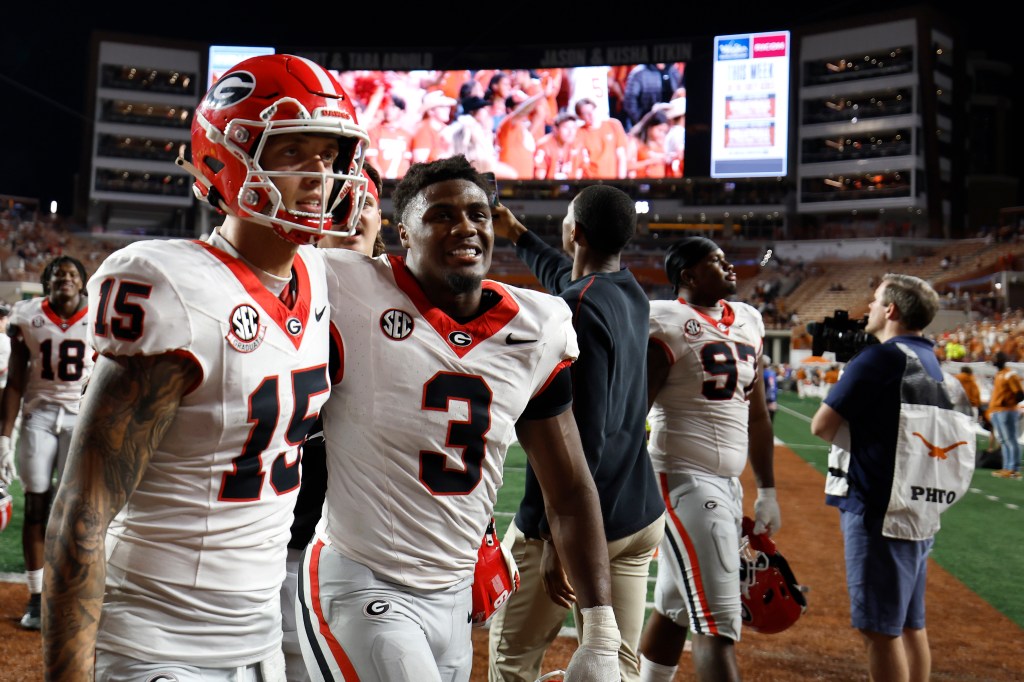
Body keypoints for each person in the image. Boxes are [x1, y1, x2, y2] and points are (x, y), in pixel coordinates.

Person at [41, 53, 369, 680]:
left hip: (259, 635)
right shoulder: (174, 285)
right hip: (156, 642)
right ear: (228, 157)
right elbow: (84, 506)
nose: (320, 174)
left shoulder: (319, 277)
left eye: (329, 154)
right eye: (294, 151)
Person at [296, 155, 620, 682]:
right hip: (361, 580)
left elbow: (569, 485)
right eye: (442, 215)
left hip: (455, 598)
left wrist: (601, 632)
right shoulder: (348, 287)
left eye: (478, 214)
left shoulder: (538, 328)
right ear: (403, 233)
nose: (465, 226)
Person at [487, 186, 665, 682]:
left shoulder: (579, 308)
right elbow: (567, 279)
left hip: (588, 526)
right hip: (640, 515)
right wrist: (518, 234)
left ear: (575, 232)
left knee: (512, 657)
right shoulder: (628, 291)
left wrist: (551, 539)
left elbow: (578, 442)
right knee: (618, 665)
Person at [811, 273, 975, 682]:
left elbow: (822, 425)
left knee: (878, 629)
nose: (867, 307)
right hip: (918, 508)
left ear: (891, 310)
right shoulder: (934, 362)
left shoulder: (881, 358)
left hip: (877, 506)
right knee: (908, 624)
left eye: (875, 300)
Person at [638, 236, 779, 682]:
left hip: (726, 484)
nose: (730, 267)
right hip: (681, 477)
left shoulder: (750, 321)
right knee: (718, 622)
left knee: (674, 608)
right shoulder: (665, 319)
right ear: (688, 275)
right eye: (715, 262)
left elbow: (756, 416)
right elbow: (636, 406)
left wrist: (768, 489)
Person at [280, 163, 385, 682]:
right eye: (339, 200)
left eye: (363, 202)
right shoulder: (279, 286)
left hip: (380, 550)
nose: (350, 214)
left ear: (383, 218)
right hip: (288, 531)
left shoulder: (414, 304)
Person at [0, 256, 93, 631]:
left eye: (72, 273)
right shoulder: (28, 317)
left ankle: (69, 593)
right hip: (39, 416)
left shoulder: (99, 314)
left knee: (74, 506)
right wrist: (4, 434)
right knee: (37, 503)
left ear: (82, 283)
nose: (64, 278)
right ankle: (37, 597)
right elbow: (16, 381)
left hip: (82, 414)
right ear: (46, 282)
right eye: (57, 274)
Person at [986, 351, 1023, 479]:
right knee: (1003, 440)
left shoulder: (1010, 374)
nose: (993, 360)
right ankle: (1007, 467)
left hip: (1006, 411)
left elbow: (1019, 394)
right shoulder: (999, 374)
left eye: (995, 358)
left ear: (1001, 359)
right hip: (997, 410)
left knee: (1010, 440)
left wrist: (1007, 403)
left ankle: (1014, 469)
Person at [575, 98, 629, 179]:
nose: (590, 114)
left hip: (612, 180)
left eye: (592, 110)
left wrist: (621, 180)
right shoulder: (579, 132)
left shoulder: (613, 125)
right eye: (585, 113)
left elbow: (621, 156)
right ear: (580, 117)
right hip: (591, 181)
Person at [622, 64, 682, 130]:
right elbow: (629, 101)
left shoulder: (673, 70)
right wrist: (642, 123)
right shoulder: (639, 72)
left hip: (670, 123)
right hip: (648, 124)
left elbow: (679, 91)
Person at [411, 90, 457, 164]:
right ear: (431, 111)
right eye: (442, 107)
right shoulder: (423, 130)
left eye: (448, 107)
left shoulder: (446, 129)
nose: (447, 110)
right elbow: (419, 165)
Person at [762, 354, 779, 423]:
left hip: (766, 403)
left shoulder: (763, 374)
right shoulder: (772, 373)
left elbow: (769, 389)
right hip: (772, 402)